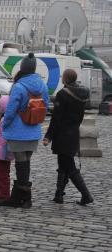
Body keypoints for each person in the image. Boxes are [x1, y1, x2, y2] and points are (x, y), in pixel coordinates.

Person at [0, 53, 49, 208]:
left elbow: (11, 109)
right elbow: (45, 106)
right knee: (25, 162)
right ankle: (22, 198)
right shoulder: (43, 86)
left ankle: (24, 199)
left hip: (18, 130)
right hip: (33, 129)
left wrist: (4, 124)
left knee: (21, 164)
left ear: (22, 68)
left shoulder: (19, 86)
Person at [43, 69, 93, 205]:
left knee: (69, 166)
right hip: (73, 132)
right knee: (63, 164)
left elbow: (56, 119)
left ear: (65, 78)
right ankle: (59, 195)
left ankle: (86, 195)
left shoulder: (62, 94)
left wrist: (48, 136)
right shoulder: (82, 94)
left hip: (62, 135)